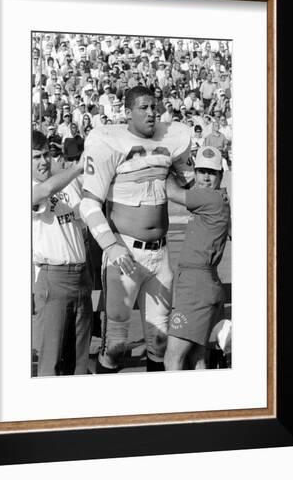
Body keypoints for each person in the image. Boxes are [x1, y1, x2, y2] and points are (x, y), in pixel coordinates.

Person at [79, 86, 194, 373]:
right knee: (116, 346)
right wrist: (111, 245)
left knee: (159, 341)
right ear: (127, 113)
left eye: (154, 106)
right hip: (125, 254)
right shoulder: (108, 142)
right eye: (144, 107)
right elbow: (89, 205)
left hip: (161, 255)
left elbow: (186, 188)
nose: (152, 112)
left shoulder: (173, 139)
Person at [164, 146, 231, 370]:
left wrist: (162, 163)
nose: (205, 177)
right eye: (201, 171)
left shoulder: (210, 198)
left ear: (220, 175)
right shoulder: (219, 199)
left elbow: (171, 192)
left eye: (211, 173)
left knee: (172, 359)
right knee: (197, 358)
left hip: (195, 285)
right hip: (203, 283)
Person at [32, 130, 92, 376]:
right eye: (36, 157)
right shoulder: (27, 188)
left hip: (81, 276)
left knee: (78, 362)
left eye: (46, 154)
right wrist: (78, 168)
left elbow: (83, 217)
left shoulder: (64, 183)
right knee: (51, 362)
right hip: (53, 278)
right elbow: (44, 192)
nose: (44, 161)